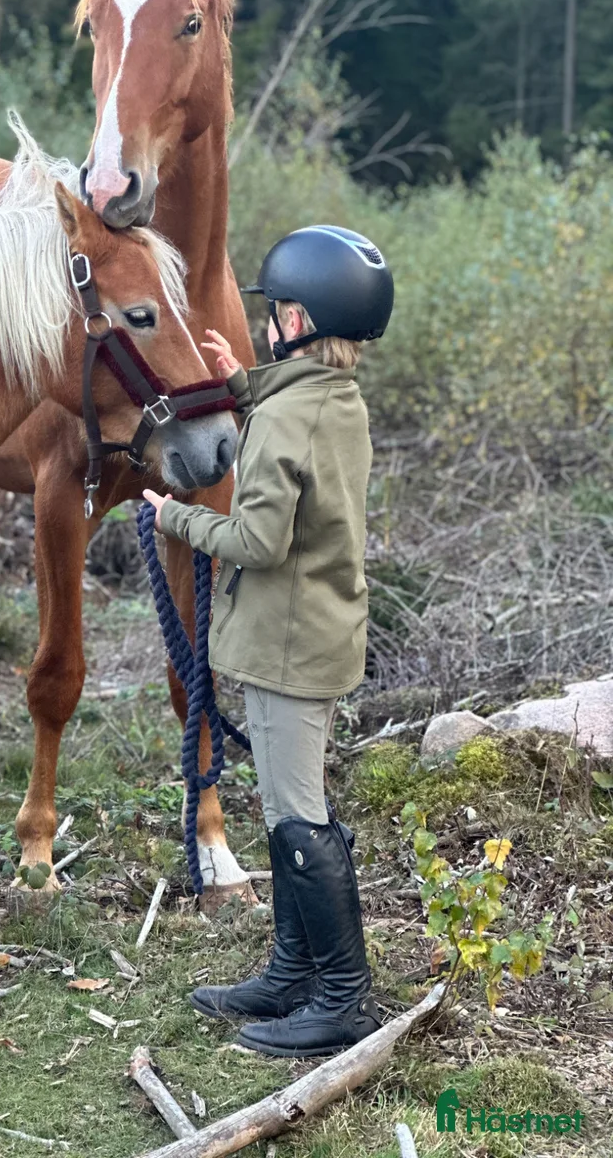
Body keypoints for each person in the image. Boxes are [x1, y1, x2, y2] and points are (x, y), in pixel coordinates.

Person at [142, 224, 394, 1058]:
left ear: (302, 318)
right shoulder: (331, 398)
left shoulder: (291, 417)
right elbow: (290, 421)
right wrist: (241, 384)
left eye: (279, 312)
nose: (272, 322)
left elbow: (256, 541)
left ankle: (344, 1001)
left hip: (289, 649)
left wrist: (171, 515)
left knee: (298, 818)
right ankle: (293, 970)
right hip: (311, 637)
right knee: (292, 811)